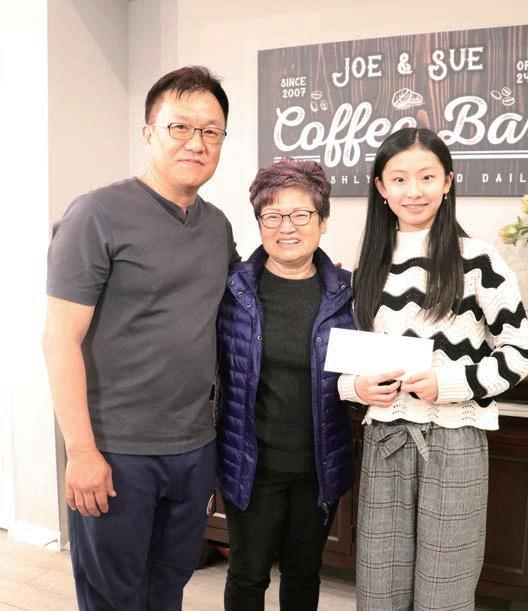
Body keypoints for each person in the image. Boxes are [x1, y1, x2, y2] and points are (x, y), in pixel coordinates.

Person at [43, 66, 237, 610]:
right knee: (113, 596)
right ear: (149, 132)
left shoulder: (217, 226)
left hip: (193, 447)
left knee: (168, 586)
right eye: (180, 127)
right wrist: (81, 451)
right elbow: (59, 338)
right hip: (116, 450)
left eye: (211, 131)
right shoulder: (96, 214)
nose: (196, 142)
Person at [338, 128, 528, 611]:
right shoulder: (367, 266)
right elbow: (346, 361)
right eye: (399, 179)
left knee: (444, 590)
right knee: (379, 588)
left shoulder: (479, 260)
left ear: (447, 182)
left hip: (455, 441)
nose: (414, 190)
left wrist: (449, 384)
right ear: (381, 188)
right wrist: (357, 387)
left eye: (426, 177)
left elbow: (520, 352)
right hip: (385, 440)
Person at [216, 159, 356, 611]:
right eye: (272, 216)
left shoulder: (348, 294)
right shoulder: (233, 291)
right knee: (247, 575)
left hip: (318, 466)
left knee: (303, 574)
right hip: (251, 466)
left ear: (323, 221)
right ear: (259, 223)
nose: (286, 227)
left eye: (300, 214)